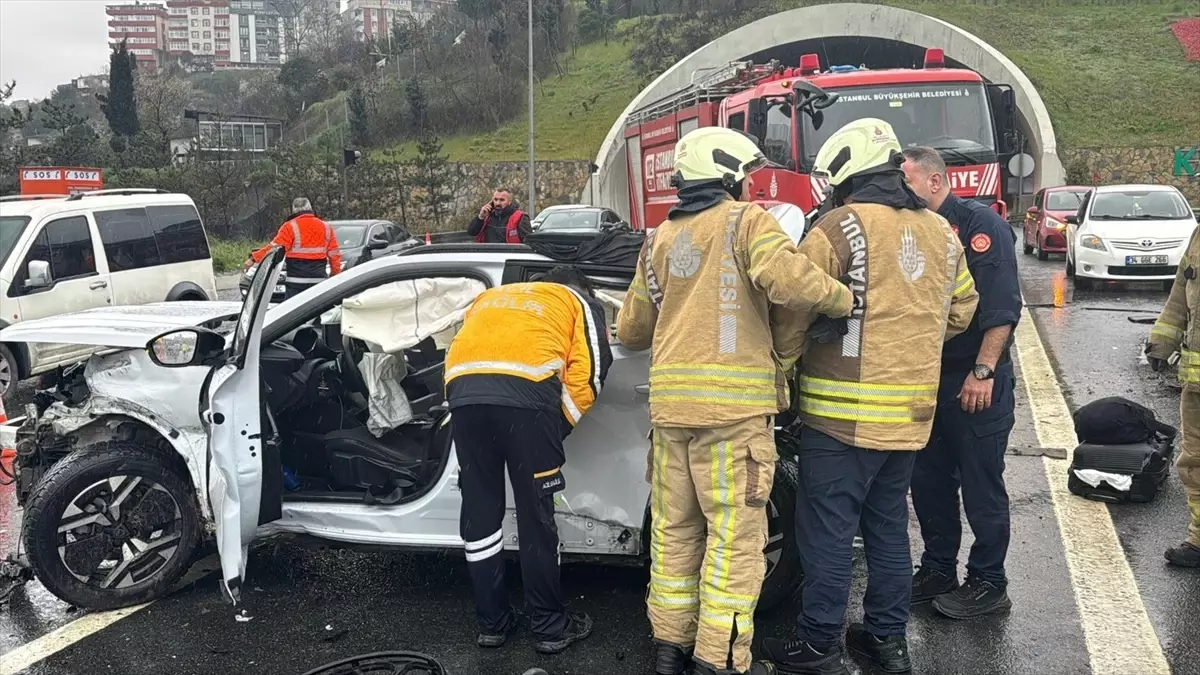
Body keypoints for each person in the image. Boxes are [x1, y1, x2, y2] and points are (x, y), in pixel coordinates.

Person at [618, 126, 855, 675]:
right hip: (733, 414)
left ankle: (669, 650)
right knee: (734, 538)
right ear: (727, 177)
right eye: (745, 176)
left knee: (674, 534)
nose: (750, 186)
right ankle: (717, 659)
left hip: (671, 414)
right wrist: (846, 299)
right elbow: (794, 283)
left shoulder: (658, 240)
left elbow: (632, 327)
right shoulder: (746, 223)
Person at [761, 121, 978, 675]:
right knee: (886, 531)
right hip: (910, 418)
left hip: (840, 419)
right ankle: (887, 641)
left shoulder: (839, 227)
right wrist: (916, 341)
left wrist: (783, 369)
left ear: (848, 178)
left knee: (828, 532)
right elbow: (962, 308)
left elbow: (794, 308)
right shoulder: (941, 231)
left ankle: (817, 645)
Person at [444, 264, 612, 655]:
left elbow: (458, 351)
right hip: (527, 404)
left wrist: (463, 405)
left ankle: (492, 624)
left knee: (481, 514)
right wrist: (557, 426)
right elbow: (594, 371)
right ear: (582, 289)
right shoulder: (576, 300)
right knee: (536, 518)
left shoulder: (491, 297)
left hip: (464, 398)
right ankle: (549, 628)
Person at [900, 146, 1023, 619]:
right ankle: (938, 569)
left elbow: (1001, 310)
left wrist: (983, 371)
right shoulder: (914, 231)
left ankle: (989, 581)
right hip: (928, 379)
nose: (900, 193)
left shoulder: (978, 226)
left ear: (935, 182)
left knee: (980, 483)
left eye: (907, 183)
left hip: (974, 378)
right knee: (928, 482)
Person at [1146, 226, 1200, 567]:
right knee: (1194, 461)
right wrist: (1162, 342)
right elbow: (1181, 292)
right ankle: (1199, 538)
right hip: (1197, 383)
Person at [246, 197, 342, 298]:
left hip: (296, 282)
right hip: (318, 280)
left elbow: (274, 248)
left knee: (293, 310)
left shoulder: (289, 226)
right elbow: (334, 254)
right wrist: (335, 274)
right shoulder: (326, 227)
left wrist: (253, 258)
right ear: (310, 209)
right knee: (315, 311)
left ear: (294, 210)